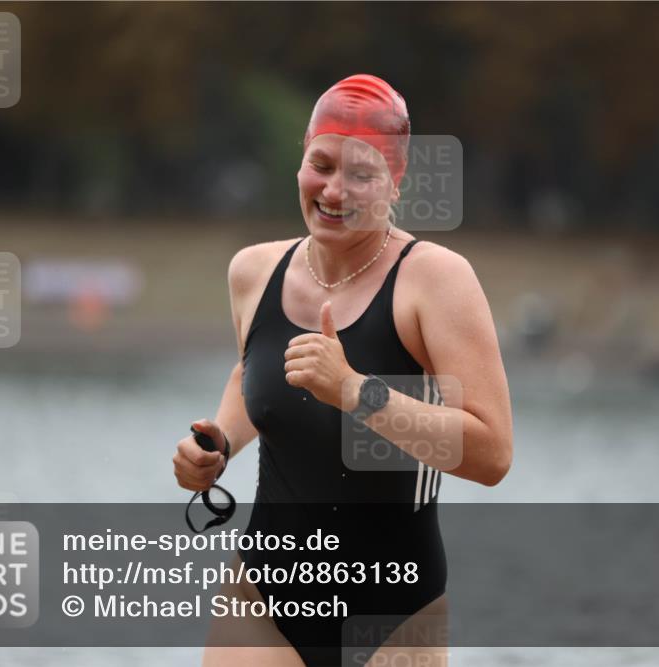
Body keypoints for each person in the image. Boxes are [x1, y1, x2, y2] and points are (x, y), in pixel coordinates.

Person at [173, 74, 513, 666]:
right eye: (321, 164)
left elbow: (491, 454)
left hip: (391, 616)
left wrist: (356, 392)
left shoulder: (435, 281)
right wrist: (219, 444)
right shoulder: (253, 272)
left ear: (396, 181)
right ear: (301, 156)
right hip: (263, 604)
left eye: (361, 174)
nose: (334, 190)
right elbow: (253, 375)